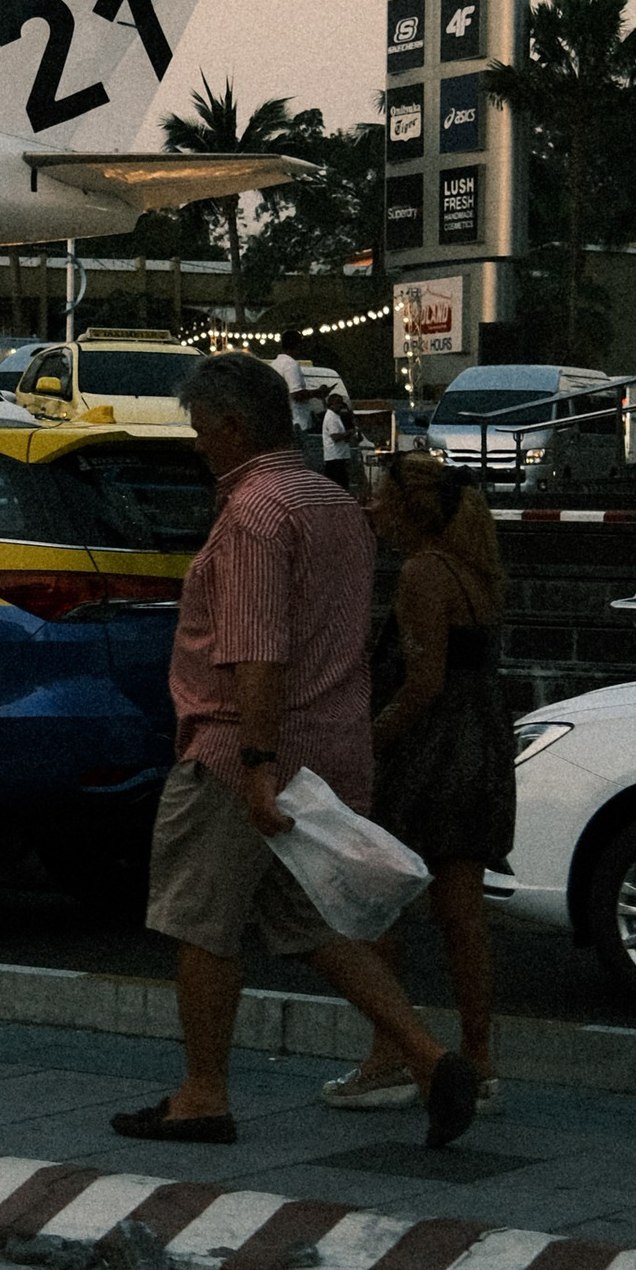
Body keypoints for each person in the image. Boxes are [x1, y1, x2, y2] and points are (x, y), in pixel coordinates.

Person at [110, 353, 479, 1157]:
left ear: (236, 427)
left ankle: (202, 1094)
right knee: (309, 924)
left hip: (243, 752)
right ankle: (429, 1058)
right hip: (333, 747)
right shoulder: (334, 505)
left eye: (204, 430)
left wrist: (254, 764)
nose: (200, 444)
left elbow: (257, 651)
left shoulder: (254, 513)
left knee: (201, 921)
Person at [320, 453, 515, 1113]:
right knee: (463, 916)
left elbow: (421, 686)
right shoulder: (477, 573)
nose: (371, 509)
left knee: (378, 905)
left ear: (410, 509)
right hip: (481, 750)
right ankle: (481, 1062)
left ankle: (389, 1056)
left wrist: (363, 742)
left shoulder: (423, 575)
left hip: (431, 759)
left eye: (380, 498)